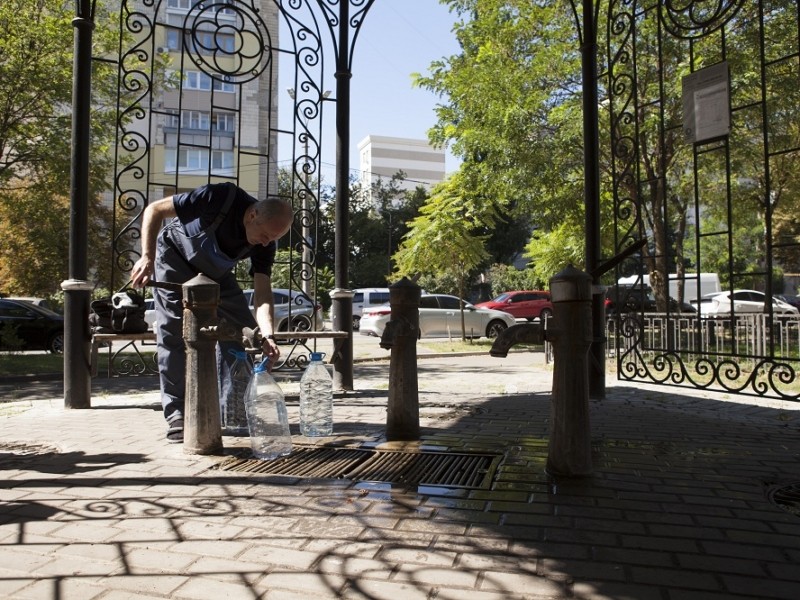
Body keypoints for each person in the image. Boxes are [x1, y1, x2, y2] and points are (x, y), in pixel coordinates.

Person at [130, 182, 294, 443]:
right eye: (265, 235)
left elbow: (262, 294)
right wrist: (146, 256)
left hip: (214, 274)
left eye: (273, 239)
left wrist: (268, 334)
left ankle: (232, 410)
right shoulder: (219, 197)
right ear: (253, 215)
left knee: (245, 331)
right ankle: (177, 415)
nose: (266, 242)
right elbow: (155, 209)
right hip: (173, 257)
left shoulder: (266, 244)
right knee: (173, 333)